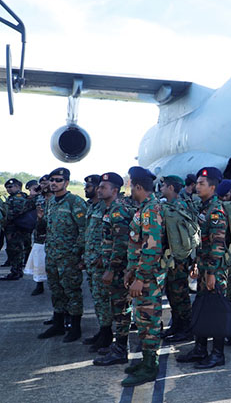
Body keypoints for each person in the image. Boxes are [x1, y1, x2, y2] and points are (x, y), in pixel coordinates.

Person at [177, 167, 231, 369]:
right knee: (201, 306)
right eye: (197, 183)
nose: (197, 186)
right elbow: (202, 242)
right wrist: (196, 264)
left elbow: (217, 245)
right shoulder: (204, 207)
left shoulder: (216, 211)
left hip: (215, 270)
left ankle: (217, 354)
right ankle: (200, 349)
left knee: (215, 310)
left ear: (213, 187)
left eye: (202, 184)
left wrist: (211, 273)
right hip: (204, 267)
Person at [121, 166, 166, 387]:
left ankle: (150, 366)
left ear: (138, 187)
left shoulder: (151, 211)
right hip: (141, 273)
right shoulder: (145, 208)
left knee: (149, 320)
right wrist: (131, 271)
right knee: (141, 318)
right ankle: (146, 360)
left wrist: (140, 278)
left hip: (148, 277)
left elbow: (152, 248)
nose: (129, 189)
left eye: (131, 185)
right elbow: (138, 244)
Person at [38, 168, 87, 342]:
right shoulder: (51, 202)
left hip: (69, 257)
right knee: (56, 289)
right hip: (52, 255)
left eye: (58, 180)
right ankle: (58, 324)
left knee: (72, 291)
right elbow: (48, 226)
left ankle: (75, 327)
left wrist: (76, 252)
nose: (54, 183)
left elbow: (84, 229)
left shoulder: (75, 202)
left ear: (66, 182)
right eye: (52, 180)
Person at [92, 172, 135, 367]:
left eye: (103, 187)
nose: (99, 190)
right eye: (99, 187)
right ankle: (119, 346)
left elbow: (121, 243)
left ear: (115, 190)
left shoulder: (118, 211)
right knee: (117, 308)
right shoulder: (110, 209)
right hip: (114, 266)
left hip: (119, 269)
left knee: (121, 309)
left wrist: (111, 268)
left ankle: (121, 350)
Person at [159, 175, 195, 343]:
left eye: (163, 186)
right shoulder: (169, 206)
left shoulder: (180, 207)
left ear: (171, 188)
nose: (161, 188)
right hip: (170, 258)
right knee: (172, 293)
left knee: (180, 294)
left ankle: (186, 329)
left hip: (179, 258)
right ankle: (177, 325)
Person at [82, 174, 114, 352]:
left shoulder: (107, 207)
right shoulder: (92, 207)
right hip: (91, 260)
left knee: (103, 298)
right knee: (97, 298)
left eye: (90, 186)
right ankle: (103, 330)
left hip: (102, 262)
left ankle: (107, 334)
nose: (86, 189)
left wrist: (104, 257)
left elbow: (112, 235)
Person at [1, 178, 34, 280]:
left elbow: (15, 212)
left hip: (16, 228)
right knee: (15, 250)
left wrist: (4, 219)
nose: (8, 189)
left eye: (10, 187)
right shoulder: (13, 197)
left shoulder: (18, 198)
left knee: (15, 250)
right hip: (14, 228)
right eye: (7, 187)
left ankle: (16, 272)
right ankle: (16, 271)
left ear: (18, 187)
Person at [24, 181, 47, 295]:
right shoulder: (38, 198)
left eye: (45, 183)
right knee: (39, 260)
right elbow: (26, 207)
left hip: (56, 235)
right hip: (40, 235)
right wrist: (32, 195)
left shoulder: (58, 198)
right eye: (41, 183)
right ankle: (39, 284)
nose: (43, 186)